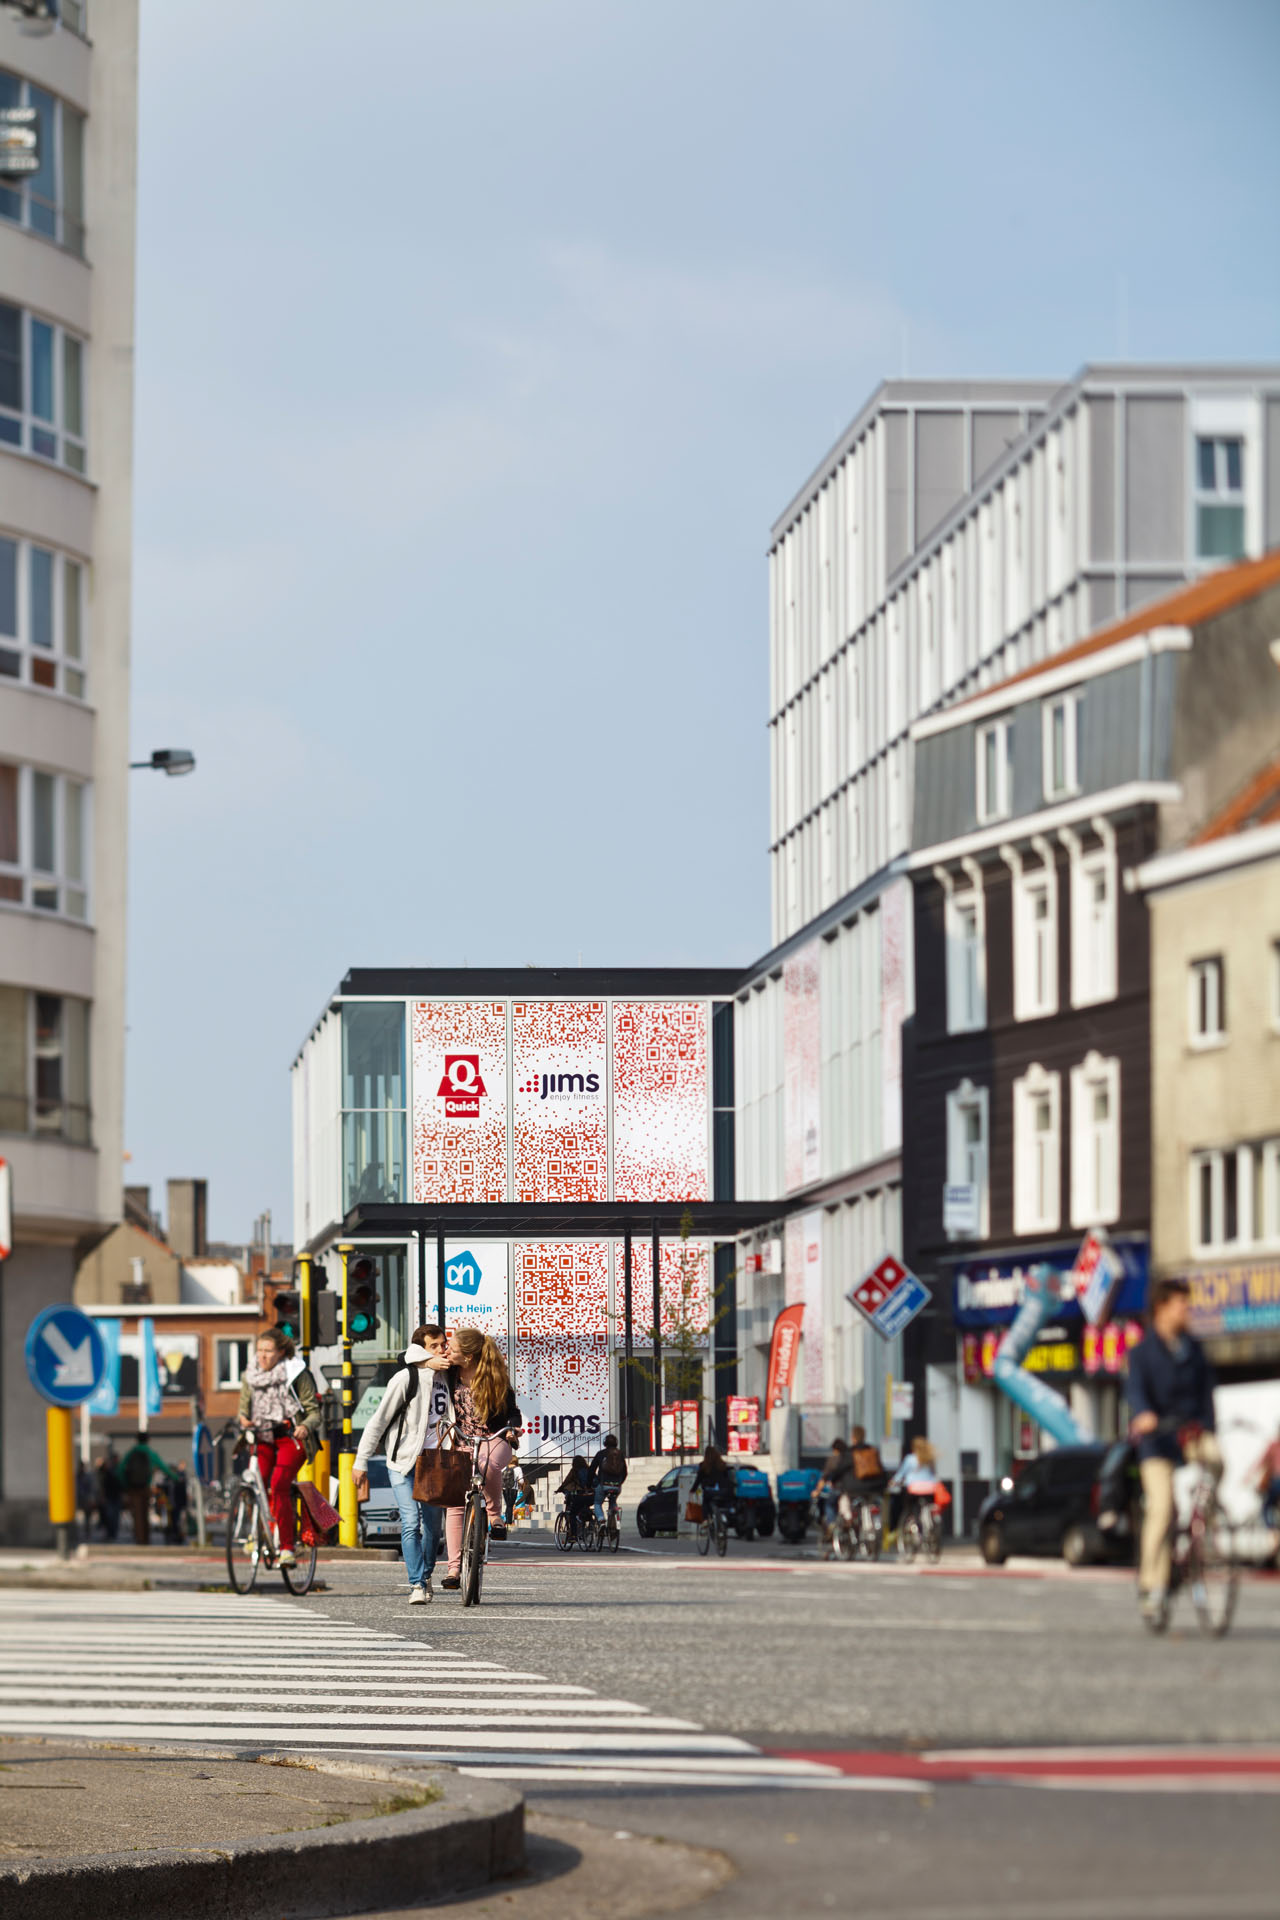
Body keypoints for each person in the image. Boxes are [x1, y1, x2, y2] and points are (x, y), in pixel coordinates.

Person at [1127, 1276, 1220, 1621]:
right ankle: (1152, 1586)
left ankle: (1205, 1518)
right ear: (1163, 1308)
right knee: (1162, 1510)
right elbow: (1135, 1391)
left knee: (1217, 1458)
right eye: (1183, 1304)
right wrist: (1143, 1415)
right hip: (1157, 1442)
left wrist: (1209, 1428)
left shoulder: (1194, 1349)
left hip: (1190, 1435)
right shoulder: (1141, 1354)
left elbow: (1207, 1393)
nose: (1188, 1310)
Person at [354, 1323, 451, 1603]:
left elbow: (467, 1355)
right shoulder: (404, 1378)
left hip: (436, 1462)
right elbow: (378, 1421)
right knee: (411, 1522)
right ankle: (416, 1584)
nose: (442, 1349)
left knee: (433, 1527)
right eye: (435, 1346)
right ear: (420, 1349)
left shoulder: (449, 1375)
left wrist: (434, 1360)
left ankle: (427, 1573)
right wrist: (361, 1462)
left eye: (443, 1344)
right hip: (402, 1462)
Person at [438, 1327, 521, 1591]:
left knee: (487, 1464)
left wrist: (512, 1428)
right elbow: (406, 1358)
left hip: (494, 1439)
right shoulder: (448, 1373)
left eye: (451, 1347)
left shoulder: (493, 1378)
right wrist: (429, 1361)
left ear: (469, 1356)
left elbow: (512, 1412)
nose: (446, 1350)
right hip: (461, 1440)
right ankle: (453, 1570)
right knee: (454, 1505)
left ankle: (496, 1517)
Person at [238, 1328, 322, 1571]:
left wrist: (305, 1426)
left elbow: (313, 1411)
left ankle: (287, 1548)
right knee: (256, 1481)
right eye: (260, 1350)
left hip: (290, 1437)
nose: (262, 1356)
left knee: (278, 1484)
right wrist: (244, 1420)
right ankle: (257, 1531)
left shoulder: (296, 1373)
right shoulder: (250, 1375)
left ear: (281, 1353)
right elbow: (244, 1409)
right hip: (261, 1437)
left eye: (268, 1351)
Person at [119, 1433, 178, 1546]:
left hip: (133, 1488)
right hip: (146, 1487)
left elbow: (120, 1469)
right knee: (145, 1512)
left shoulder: (131, 1453)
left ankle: (139, 1538)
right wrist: (175, 1477)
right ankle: (146, 1539)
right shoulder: (150, 1453)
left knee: (137, 1514)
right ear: (148, 1440)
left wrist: (125, 1485)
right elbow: (163, 1467)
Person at [887, 1435, 936, 1535]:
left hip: (914, 1490)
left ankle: (913, 1521)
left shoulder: (910, 1459)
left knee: (909, 1507)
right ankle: (931, 1523)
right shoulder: (929, 1458)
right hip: (930, 1489)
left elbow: (901, 1474)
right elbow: (933, 1474)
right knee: (929, 1505)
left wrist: (893, 1482)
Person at [691, 1444, 735, 1530]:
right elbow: (727, 1478)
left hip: (710, 1492)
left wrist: (693, 1490)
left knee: (705, 1502)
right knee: (725, 1502)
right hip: (724, 1491)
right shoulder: (722, 1464)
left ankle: (705, 1520)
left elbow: (698, 1479)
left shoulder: (703, 1466)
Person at [590, 1433, 628, 1530]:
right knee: (613, 1501)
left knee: (598, 1503)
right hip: (616, 1486)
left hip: (603, 1484)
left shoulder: (601, 1454)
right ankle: (614, 1516)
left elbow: (591, 1470)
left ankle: (602, 1521)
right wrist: (620, 1482)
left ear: (605, 1443)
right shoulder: (620, 1454)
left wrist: (589, 1483)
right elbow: (625, 1472)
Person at [815, 1437, 853, 1532]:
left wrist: (816, 1491)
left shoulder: (833, 1459)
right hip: (852, 1490)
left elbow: (824, 1478)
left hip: (838, 1489)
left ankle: (831, 1525)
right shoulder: (852, 1457)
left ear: (835, 1449)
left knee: (829, 1504)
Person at [555, 1455, 594, 1540]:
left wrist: (559, 1489)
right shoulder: (589, 1470)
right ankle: (590, 1523)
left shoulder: (574, 1471)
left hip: (579, 1495)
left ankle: (573, 1535)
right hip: (590, 1494)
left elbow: (566, 1481)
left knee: (572, 1513)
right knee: (585, 1509)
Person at [1255, 1425, 1280, 1531]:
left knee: (1266, 1507)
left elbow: (1260, 1463)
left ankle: (1272, 1532)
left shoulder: (1273, 1446)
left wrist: (1246, 1479)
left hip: (1276, 1482)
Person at [96, 1448, 121, 1542]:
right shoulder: (111, 1471)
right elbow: (103, 1485)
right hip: (110, 1497)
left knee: (113, 1517)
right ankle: (111, 1534)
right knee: (110, 1517)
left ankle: (112, 1534)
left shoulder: (116, 1470)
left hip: (114, 1497)